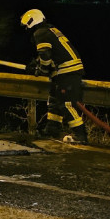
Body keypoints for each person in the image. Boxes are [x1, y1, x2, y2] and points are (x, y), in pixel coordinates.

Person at [21, 8, 87, 143]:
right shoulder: (50, 31)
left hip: (67, 72)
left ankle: (80, 135)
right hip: (66, 71)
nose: (27, 30)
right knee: (54, 101)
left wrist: (42, 69)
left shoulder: (40, 33)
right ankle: (52, 129)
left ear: (31, 21)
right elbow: (51, 54)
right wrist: (38, 65)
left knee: (67, 104)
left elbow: (45, 54)